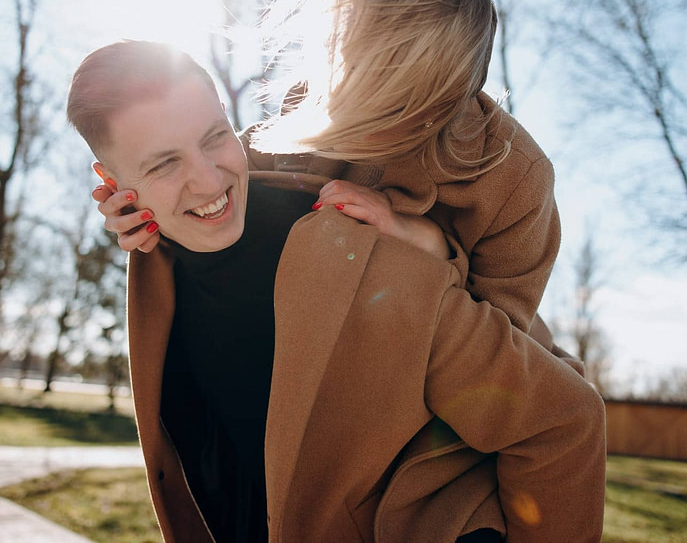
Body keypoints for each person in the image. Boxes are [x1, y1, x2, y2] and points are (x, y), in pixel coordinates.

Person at [68, 39, 605, 542]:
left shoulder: (352, 256)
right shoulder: (154, 257)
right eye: (164, 163)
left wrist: (432, 245)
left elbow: (563, 418)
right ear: (112, 181)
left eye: (215, 137)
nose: (209, 181)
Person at [103, 0, 581, 373]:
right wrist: (142, 200)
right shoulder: (313, 97)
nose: (336, 91)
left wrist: (422, 242)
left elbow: (499, 353)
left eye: (372, 84)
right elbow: (224, 174)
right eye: (339, 57)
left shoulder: (517, 177)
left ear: (435, 98)